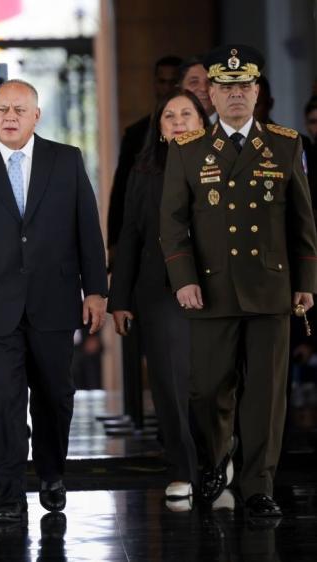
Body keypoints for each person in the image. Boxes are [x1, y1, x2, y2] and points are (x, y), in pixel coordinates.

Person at [160, 45, 317, 519]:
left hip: (270, 287)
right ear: (210, 93)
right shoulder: (189, 149)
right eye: (226, 87)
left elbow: (302, 221)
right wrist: (183, 279)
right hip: (211, 288)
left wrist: (306, 281)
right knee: (208, 390)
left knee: (265, 396)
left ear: (257, 92)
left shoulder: (285, 144)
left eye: (244, 86)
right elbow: (173, 222)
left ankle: (257, 485)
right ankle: (216, 456)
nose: (236, 95)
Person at [0, 79, 108, 523]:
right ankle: (8, 495)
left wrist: (95, 290)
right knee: (3, 401)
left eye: (20, 110)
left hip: (54, 300)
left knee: (55, 395)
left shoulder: (66, 159)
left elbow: (87, 228)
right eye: (2, 110)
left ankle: (52, 474)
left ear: (37, 115)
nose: (10, 117)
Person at [108, 88, 210, 501]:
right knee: (169, 382)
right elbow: (130, 236)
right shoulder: (144, 172)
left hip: (216, 288)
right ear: (160, 128)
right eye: (170, 116)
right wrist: (119, 300)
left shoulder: (222, 163)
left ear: (202, 122)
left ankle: (218, 460)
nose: (179, 121)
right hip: (159, 290)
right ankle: (183, 468)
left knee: (210, 383)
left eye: (187, 114)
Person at [107, 55, 182, 253]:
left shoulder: (198, 130)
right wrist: (114, 242)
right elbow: (122, 189)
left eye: (173, 82)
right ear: (155, 84)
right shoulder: (136, 134)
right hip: (146, 237)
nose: (167, 88)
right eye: (162, 81)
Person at [178, 56, 216, 123]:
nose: (203, 88)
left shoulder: (233, 125)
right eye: (194, 82)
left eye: (210, 82)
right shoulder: (171, 126)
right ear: (180, 88)